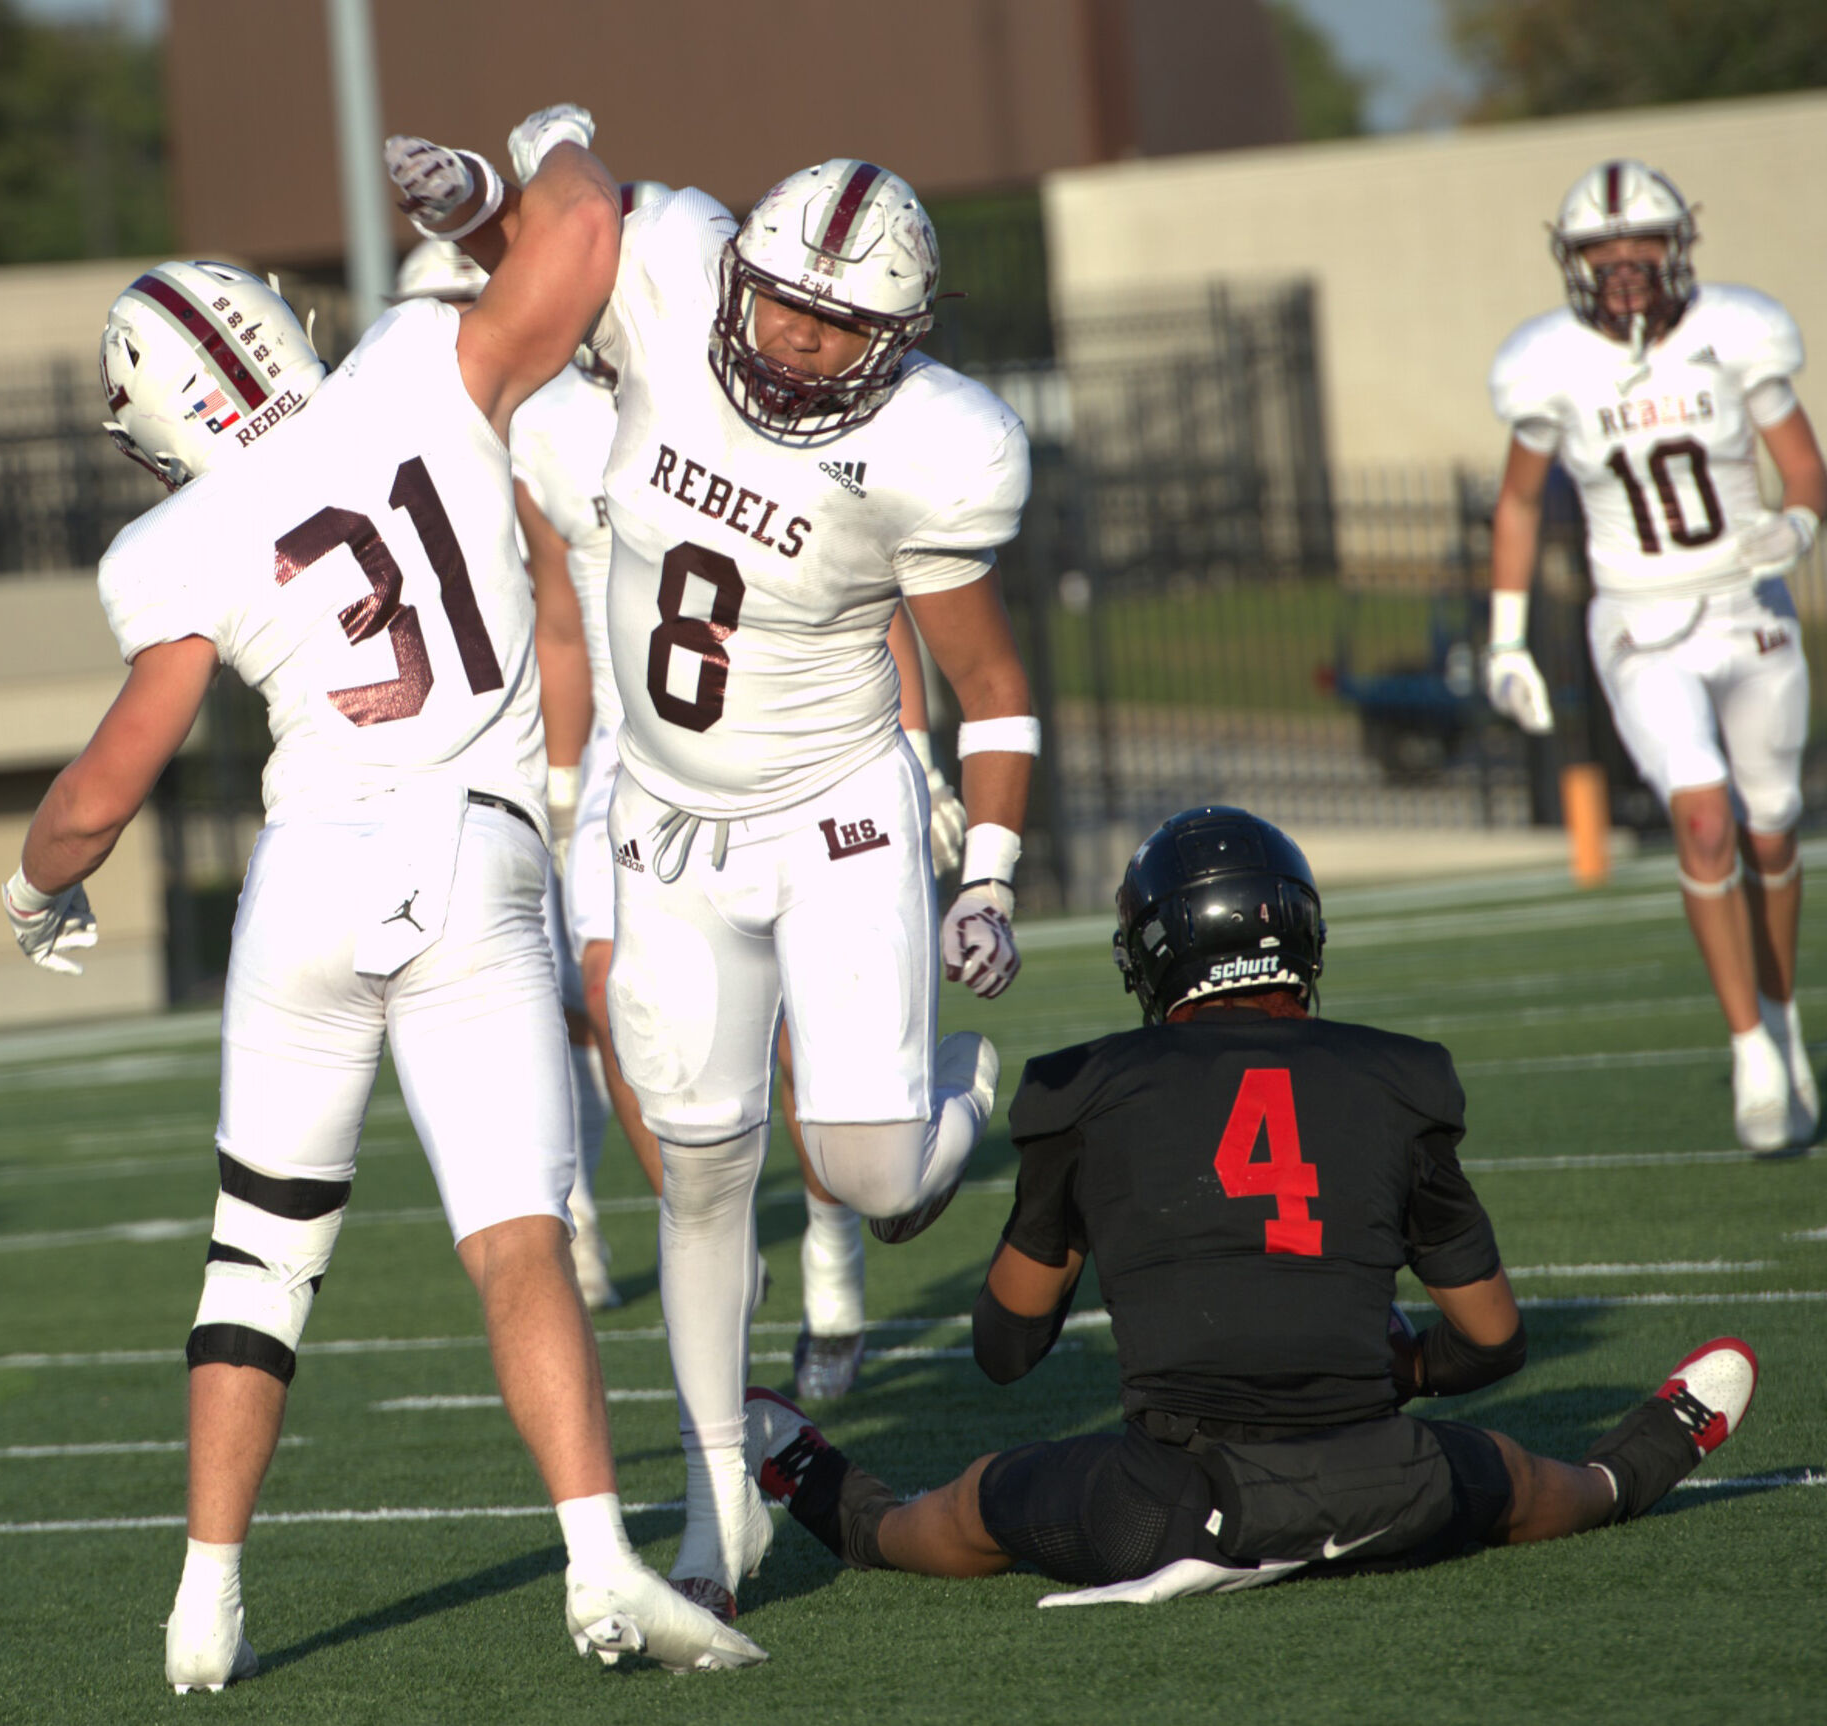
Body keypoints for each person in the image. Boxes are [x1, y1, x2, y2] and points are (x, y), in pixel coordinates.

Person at [3, 125, 762, 1690]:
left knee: (257, 1257)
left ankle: (205, 1603)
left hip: (307, 877)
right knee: (516, 1243)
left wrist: (35, 886)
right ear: (278, 319)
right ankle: (602, 1564)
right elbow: (582, 241)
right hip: (472, 854)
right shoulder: (418, 362)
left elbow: (101, 789)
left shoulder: (173, 537)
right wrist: (547, 156)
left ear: (152, 428)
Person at [386, 109, 1041, 1622]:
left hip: (839, 812)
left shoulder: (939, 442)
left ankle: (962, 1094)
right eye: (792, 302)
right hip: (665, 818)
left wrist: (990, 869)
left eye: (843, 321)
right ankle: (715, 1499)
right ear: (744, 273)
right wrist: (491, 191)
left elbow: (994, 680)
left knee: (877, 1174)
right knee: (698, 1174)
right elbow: (556, 241)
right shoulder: (679, 278)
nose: (806, 340)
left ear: (903, 336)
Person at [741, 806, 1760, 1601]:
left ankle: (837, 1504)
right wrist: (1395, 1364)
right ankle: (1645, 1454)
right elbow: (1492, 1341)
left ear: (1153, 950)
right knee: (1526, 1480)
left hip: (1171, 1509)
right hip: (1384, 1485)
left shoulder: (1081, 1086)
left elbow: (1005, 1349)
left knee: (973, 1503)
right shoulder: (1396, 1076)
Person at [1486, 159, 1827, 1152]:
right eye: (1601, 250)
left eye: (1639, 246)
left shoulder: (1734, 333)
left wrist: (1795, 530)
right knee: (1703, 817)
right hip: (1636, 621)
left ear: (1675, 249)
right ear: (1571, 261)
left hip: (1744, 605)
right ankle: (1748, 1051)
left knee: (1771, 830)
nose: (1622, 266)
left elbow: (1802, 467)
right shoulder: (1547, 361)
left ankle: (1781, 1016)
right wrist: (1505, 635)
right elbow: (1514, 500)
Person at [390, 233, 621, 1310]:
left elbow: (568, 610)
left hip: (565, 736)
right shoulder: (379, 440)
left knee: (605, 991)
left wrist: (568, 773)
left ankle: (653, 1194)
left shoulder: (560, 420)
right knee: (506, 983)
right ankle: (560, 1212)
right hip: (454, 750)